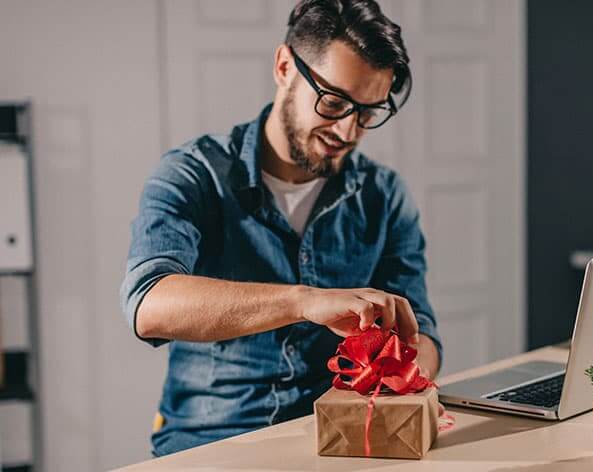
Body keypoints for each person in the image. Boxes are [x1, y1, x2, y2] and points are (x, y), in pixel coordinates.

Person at [119, 0, 442, 456]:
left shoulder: (384, 195)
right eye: (333, 103)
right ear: (285, 66)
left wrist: (406, 374)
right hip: (212, 443)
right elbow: (149, 303)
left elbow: (422, 331)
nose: (348, 131)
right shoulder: (193, 175)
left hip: (341, 438)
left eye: (367, 113)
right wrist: (303, 301)